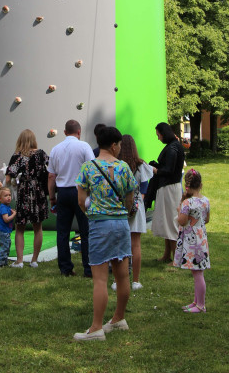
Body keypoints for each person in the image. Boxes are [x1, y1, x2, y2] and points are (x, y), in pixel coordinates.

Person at [73, 126, 137, 340]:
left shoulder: (88, 168)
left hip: (100, 224)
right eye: (119, 145)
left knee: (100, 279)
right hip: (121, 224)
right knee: (122, 275)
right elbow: (130, 200)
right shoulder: (124, 167)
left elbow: (81, 201)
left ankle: (96, 328)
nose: (120, 148)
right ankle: (118, 318)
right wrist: (122, 213)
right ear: (114, 145)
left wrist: (91, 213)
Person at [47, 119, 94, 277]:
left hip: (63, 192)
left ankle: (65, 268)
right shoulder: (84, 146)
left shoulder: (55, 149)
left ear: (65, 132)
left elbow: (51, 176)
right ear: (79, 132)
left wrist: (52, 197)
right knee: (86, 230)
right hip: (80, 191)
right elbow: (92, 170)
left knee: (62, 232)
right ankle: (88, 268)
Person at [112, 134, 154, 291]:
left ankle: (118, 280)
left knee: (119, 243)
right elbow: (144, 189)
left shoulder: (117, 165)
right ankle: (136, 281)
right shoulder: (141, 165)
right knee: (136, 245)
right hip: (137, 207)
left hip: (119, 207)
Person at [5, 129, 49, 268]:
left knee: (20, 228)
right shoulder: (41, 154)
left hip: (24, 191)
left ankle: (19, 261)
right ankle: (34, 260)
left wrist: (13, 182)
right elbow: (52, 169)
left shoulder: (17, 156)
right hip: (38, 191)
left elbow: (8, 178)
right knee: (38, 227)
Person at [174, 168, 210, 312]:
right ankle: (196, 302)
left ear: (186, 186)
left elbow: (182, 222)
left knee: (197, 273)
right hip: (201, 239)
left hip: (191, 241)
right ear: (200, 184)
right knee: (197, 271)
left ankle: (201, 305)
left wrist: (179, 211)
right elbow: (206, 219)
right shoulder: (205, 200)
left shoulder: (187, 203)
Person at [148, 122, 185, 263]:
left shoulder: (172, 149)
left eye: (158, 135)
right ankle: (167, 255)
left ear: (164, 133)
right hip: (169, 187)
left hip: (170, 188)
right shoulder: (173, 146)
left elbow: (169, 170)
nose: (158, 138)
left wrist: (155, 170)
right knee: (168, 221)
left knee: (171, 221)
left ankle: (176, 257)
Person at [0, 187, 17, 268]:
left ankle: (4, 261)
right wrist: (14, 214)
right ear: (0, 199)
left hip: (6, 231)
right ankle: (0, 263)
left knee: (7, 246)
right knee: (4, 247)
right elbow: (6, 219)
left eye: (9, 195)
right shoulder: (3, 208)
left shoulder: (7, 207)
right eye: (6, 196)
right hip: (3, 231)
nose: (8, 197)